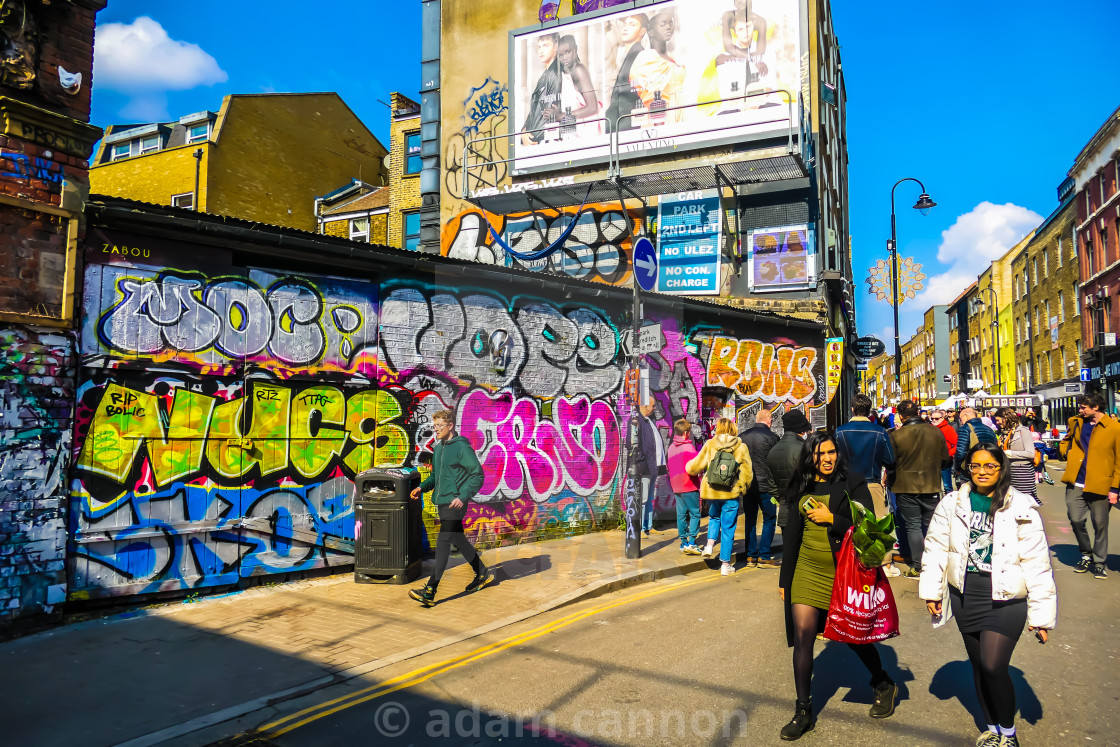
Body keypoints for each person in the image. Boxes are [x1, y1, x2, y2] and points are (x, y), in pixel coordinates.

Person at [920, 443, 1056, 747]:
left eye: (989, 466)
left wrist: (1042, 615)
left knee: (994, 665)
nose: (982, 472)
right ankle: (993, 728)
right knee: (980, 666)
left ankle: (1009, 734)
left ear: (1001, 468)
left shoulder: (1020, 506)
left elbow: (1037, 561)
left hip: (1007, 598)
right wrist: (932, 591)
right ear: (968, 468)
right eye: (975, 466)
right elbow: (936, 548)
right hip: (966, 594)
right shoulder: (952, 503)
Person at [777, 432, 899, 740]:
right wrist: (785, 580)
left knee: (853, 636)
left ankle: (883, 682)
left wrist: (833, 518)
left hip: (844, 574)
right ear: (810, 457)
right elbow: (792, 535)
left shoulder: (853, 482)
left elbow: (868, 528)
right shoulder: (801, 485)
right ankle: (803, 711)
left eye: (831, 452)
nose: (827, 459)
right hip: (806, 570)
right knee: (804, 637)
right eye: (820, 454)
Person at [409, 410, 491, 607]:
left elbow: (477, 475)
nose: (435, 429)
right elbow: (435, 477)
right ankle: (481, 572)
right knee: (458, 539)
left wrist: (463, 497)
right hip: (442, 502)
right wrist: (422, 487)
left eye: (439, 426)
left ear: (450, 425)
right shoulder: (438, 449)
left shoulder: (462, 447)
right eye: (434, 426)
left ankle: (430, 590)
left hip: (455, 504)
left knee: (443, 543)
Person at [835, 393, 900, 576]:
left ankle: (850, 561)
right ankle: (884, 564)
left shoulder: (840, 431)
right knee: (879, 523)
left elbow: (835, 459)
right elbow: (890, 460)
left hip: (847, 484)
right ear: (869, 410)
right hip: (871, 482)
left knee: (849, 523)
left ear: (852, 409)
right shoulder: (879, 431)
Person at [1058, 392, 1120, 579]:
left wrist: (1115, 489)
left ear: (1096, 407)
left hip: (1101, 483)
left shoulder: (1114, 428)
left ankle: (1099, 562)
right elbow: (1066, 440)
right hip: (1076, 481)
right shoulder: (1076, 422)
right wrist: (1065, 452)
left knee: (1100, 524)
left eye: (1084, 407)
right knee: (1075, 519)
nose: (1080, 410)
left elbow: (1119, 460)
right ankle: (1086, 553)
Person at [888, 399, 951, 579]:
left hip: (905, 486)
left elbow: (891, 462)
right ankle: (937, 563)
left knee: (913, 526)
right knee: (932, 526)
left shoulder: (897, 436)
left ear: (901, 416)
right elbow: (946, 459)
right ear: (918, 412)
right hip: (931, 485)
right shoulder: (935, 432)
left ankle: (918, 565)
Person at [687, 417, 752, 575]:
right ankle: (725, 564)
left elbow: (695, 466)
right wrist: (742, 487)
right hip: (731, 494)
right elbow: (747, 474)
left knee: (714, 518)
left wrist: (688, 468)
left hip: (713, 492)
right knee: (728, 529)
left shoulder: (710, 444)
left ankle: (709, 546)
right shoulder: (741, 447)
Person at [628, 12, 686, 126]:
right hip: (661, 120)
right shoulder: (645, 58)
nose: (668, 27)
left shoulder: (674, 57)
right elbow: (651, 96)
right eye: (663, 24)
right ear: (651, 32)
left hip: (680, 114)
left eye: (670, 23)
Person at [741, 408, 780, 567]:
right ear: (769, 420)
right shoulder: (773, 437)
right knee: (769, 518)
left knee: (750, 519)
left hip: (748, 485)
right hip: (767, 487)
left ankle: (750, 556)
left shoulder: (742, 437)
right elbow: (776, 463)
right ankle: (764, 555)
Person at [604, 13, 648, 132]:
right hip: (620, 126)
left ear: (641, 31)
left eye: (632, 24)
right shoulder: (628, 55)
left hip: (629, 126)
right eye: (625, 24)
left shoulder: (640, 55)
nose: (626, 27)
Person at [769, 409, 811, 531]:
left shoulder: (773, 450)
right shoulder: (804, 449)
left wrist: (783, 498)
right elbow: (811, 480)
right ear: (801, 429)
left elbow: (771, 486)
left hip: (785, 511)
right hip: (805, 511)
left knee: (788, 548)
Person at [555, 35, 601, 139]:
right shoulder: (567, 74)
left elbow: (592, 107)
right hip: (575, 130)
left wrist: (561, 116)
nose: (564, 57)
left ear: (575, 49)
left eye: (568, 52)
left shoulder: (579, 70)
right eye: (560, 55)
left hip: (587, 132)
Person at [667, 418, 703, 554]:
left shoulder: (671, 447)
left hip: (676, 486)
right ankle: (692, 542)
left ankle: (683, 543)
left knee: (681, 515)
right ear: (687, 433)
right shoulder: (689, 447)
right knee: (695, 514)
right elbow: (696, 467)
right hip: (689, 485)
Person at [521, 33, 563, 145]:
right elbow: (535, 110)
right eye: (539, 47)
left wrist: (531, 138)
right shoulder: (545, 74)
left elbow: (549, 115)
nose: (541, 51)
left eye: (546, 46)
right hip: (537, 140)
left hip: (544, 142)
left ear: (556, 47)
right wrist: (523, 132)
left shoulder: (555, 73)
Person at [994, 408, 1042, 507]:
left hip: (1022, 472)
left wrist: (1010, 454)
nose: (997, 423)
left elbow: (1030, 453)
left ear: (1006, 418)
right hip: (1007, 471)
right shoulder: (1004, 433)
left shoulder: (1023, 431)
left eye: (998, 420)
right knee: (1010, 502)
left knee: (1024, 502)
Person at [635, 400, 667, 536]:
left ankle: (648, 525)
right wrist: (643, 461)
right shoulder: (637, 421)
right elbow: (635, 444)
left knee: (649, 497)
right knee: (642, 499)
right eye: (653, 405)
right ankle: (641, 528)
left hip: (654, 466)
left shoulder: (649, 420)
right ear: (645, 406)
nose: (655, 408)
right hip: (646, 467)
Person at [955, 407, 998, 481]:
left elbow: (961, 452)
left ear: (966, 416)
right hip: (987, 465)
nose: (961, 421)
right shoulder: (989, 429)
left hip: (970, 468)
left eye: (960, 418)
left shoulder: (965, 429)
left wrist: (958, 467)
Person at [931, 408, 959, 493]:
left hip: (945, 461)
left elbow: (956, 444)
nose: (934, 420)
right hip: (932, 461)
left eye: (936, 418)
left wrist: (948, 454)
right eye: (932, 418)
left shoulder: (948, 429)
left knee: (947, 486)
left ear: (942, 418)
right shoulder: (930, 428)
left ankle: (948, 503)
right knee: (933, 486)